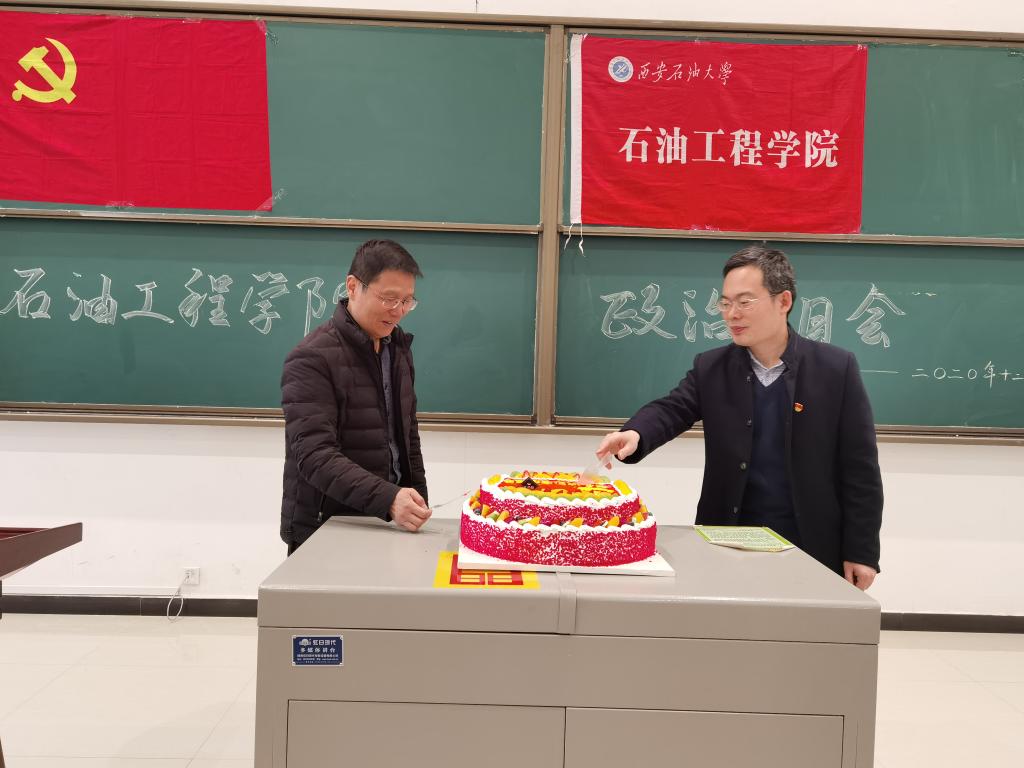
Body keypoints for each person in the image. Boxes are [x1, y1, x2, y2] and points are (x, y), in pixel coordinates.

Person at [596, 244, 882, 589]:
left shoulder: (834, 368)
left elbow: (860, 467)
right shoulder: (712, 367)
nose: (732, 314)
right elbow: (672, 409)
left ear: (784, 301)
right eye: (725, 303)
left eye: (745, 302)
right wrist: (636, 434)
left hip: (811, 542)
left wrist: (862, 551)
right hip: (727, 538)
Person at [280, 239, 430, 554]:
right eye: (389, 298)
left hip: (386, 520)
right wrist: (390, 499)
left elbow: (407, 438)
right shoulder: (312, 358)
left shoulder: (397, 349)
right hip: (326, 528)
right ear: (352, 286)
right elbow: (315, 456)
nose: (399, 311)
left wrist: (417, 501)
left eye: (407, 301)